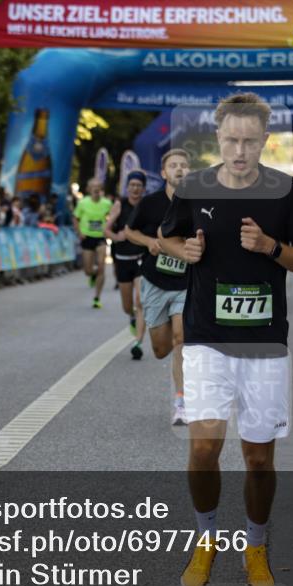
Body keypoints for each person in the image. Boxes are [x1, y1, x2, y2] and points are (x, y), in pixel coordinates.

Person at [158, 93, 293, 586]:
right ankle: (206, 539)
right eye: (231, 140)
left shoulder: (285, 191)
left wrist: (271, 247)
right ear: (218, 137)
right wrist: (183, 249)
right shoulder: (194, 186)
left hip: (264, 343)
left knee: (258, 459)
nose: (240, 150)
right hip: (206, 337)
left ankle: (255, 545)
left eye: (250, 141)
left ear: (265, 140)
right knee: (204, 446)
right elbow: (166, 239)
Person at [126, 149, 192, 423]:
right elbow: (130, 231)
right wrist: (149, 242)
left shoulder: (198, 204)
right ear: (164, 173)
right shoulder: (150, 203)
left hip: (186, 281)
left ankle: (181, 401)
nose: (179, 169)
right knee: (161, 348)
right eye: (173, 165)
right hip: (155, 281)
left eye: (184, 165)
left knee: (181, 337)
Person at [106, 171, 148, 359]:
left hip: (141, 258)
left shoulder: (147, 205)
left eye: (139, 185)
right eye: (132, 185)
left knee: (140, 301)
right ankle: (131, 317)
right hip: (122, 259)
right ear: (127, 187)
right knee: (127, 306)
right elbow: (106, 230)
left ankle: (138, 343)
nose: (135, 189)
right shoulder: (119, 205)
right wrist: (117, 237)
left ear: (144, 188)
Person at [73, 177, 112, 309]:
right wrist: (79, 232)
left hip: (100, 237)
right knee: (87, 270)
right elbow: (75, 218)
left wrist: (109, 228)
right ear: (89, 189)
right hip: (87, 237)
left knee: (101, 266)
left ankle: (97, 298)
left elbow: (112, 218)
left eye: (98, 186)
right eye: (93, 187)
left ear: (101, 189)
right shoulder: (82, 203)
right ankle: (92, 275)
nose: (96, 189)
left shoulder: (107, 203)